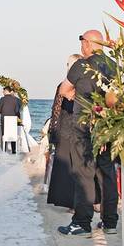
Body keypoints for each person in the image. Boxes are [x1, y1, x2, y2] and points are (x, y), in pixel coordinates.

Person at [58, 31, 118, 237]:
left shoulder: (80, 65)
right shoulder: (114, 66)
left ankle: (82, 223)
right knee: (107, 172)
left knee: (84, 173)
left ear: (90, 44)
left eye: (83, 42)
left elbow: (64, 91)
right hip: (107, 125)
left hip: (84, 125)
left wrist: (78, 97)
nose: (82, 47)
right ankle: (110, 221)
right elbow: (116, 97)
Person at [47, 54, 80, 209]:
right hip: (69, 128)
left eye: (70, 64)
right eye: (68, 64)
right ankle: (71, 202)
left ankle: (73, 202)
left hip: (71, 128)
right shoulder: (74, 86)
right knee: (69, 167)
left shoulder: (69, 86)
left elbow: (57, 109)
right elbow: (56, 109)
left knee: (71, 166)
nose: (68, 67)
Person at [0, 86, 22, 153]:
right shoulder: (15, 99)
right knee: (13, 133)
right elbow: (17, 110)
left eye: (3, 91)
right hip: (13, 119)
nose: (2, 92)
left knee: (4, 133)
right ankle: (13, 150)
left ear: (6, 91)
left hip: (4, 119)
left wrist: (4, 113)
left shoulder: (2, 99)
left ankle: (4, 149)